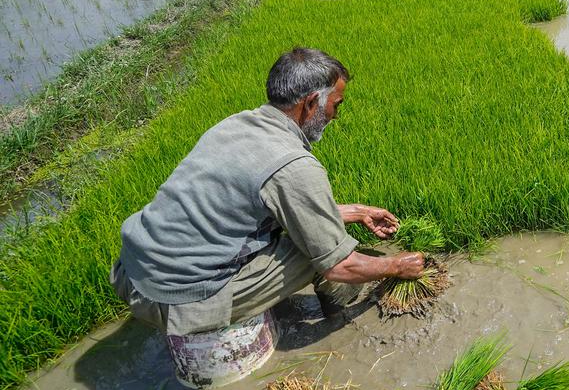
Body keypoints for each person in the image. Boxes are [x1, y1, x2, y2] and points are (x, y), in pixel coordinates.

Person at [111, 47, 425, 336]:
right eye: (336, 104)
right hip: (175, 301)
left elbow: (260, 207)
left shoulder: (236, 125)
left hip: (134, 274)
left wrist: (356, 212)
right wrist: (397, 265)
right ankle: (337, 314)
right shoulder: (293, 165)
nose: (336, 115)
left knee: (310, 235)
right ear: (311, 102)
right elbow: (338, 265)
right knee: (317, 251)